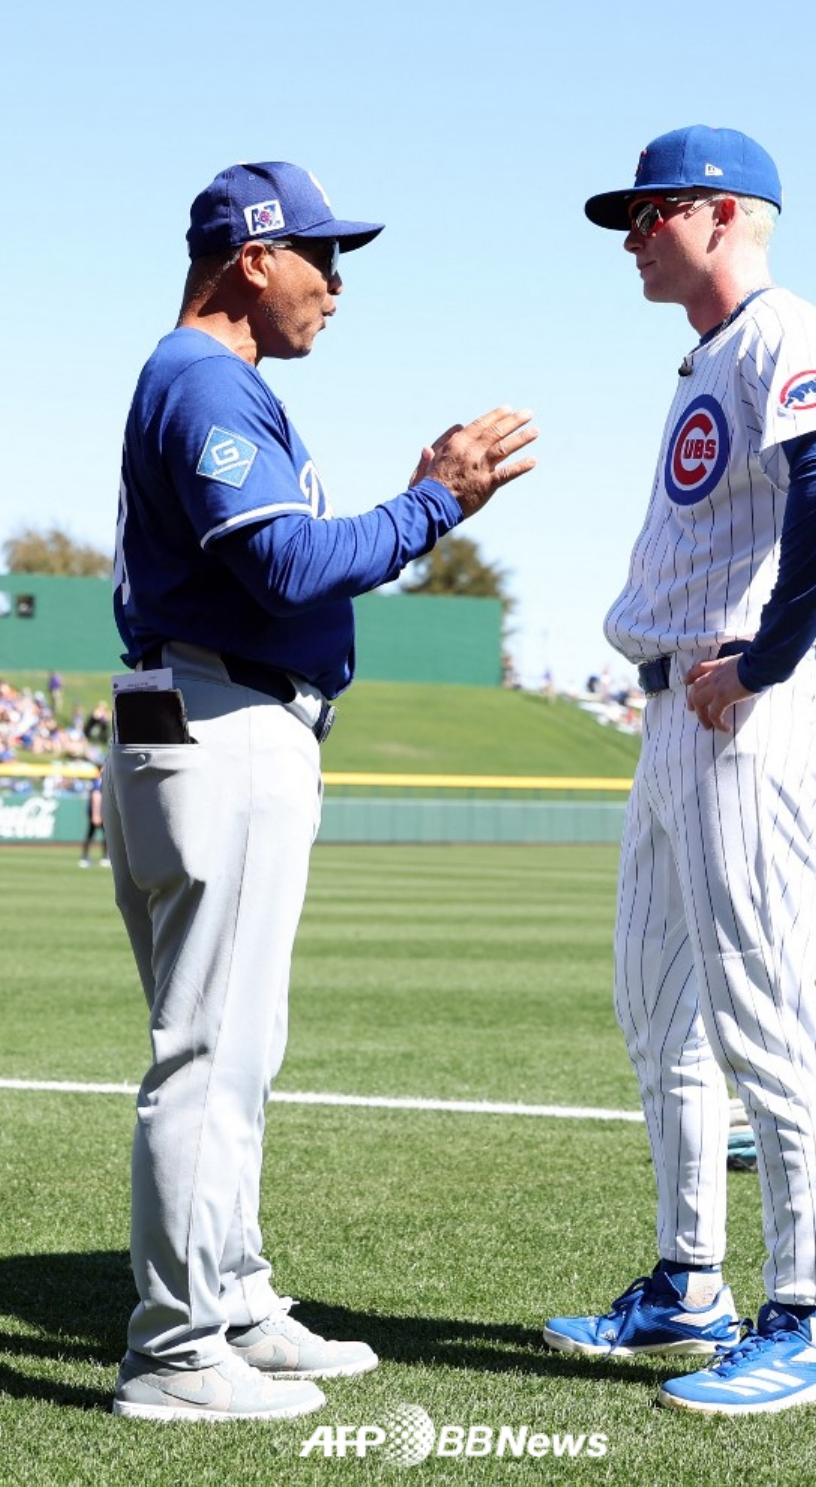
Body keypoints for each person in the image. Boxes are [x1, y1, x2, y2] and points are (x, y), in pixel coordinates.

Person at [104, 159, 537, 1424]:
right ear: (253, 258)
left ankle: (231, 1297)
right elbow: (290, 566)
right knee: (209, 1050)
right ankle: (177, 1349)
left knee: (236, 1046)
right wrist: (433, 501)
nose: (337, 287)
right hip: (223, 716)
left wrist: (422, 503)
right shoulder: (205, 378)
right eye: (322, 257)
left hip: (196, 709)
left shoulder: (203, 380)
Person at [542, 126, 816, 1416]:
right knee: (657, 1012)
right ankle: (690, 1283)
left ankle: (803, 1323)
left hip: (745, 712)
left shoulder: (785, 329)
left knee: (762, 1017)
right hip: (679, 709)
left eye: (651, 212)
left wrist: (765, 660)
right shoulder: (713, 352)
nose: (631, 236)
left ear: (724, 212)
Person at [78, 770, 109, 867]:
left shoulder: (100, 781)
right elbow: (96, 797)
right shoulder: (99, 782)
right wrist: (96, 814)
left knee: (98, 836)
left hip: (100, 813)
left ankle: (87, 857)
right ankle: (87, 857)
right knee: (95, 835)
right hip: (99, 813)